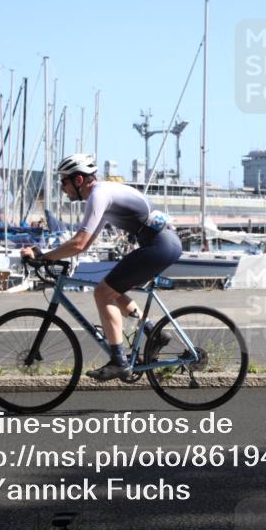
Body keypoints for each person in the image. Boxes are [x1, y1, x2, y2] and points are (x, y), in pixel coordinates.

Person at [21, 154, 183, 381]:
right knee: (111, 290)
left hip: (159, 245)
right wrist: (49, 255)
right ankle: (152, 331)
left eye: (64, 181)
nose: (61, 187)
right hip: (164, 243)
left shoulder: (98, 195)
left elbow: (78, 244)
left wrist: (44, 257)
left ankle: (119, 362)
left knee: (102, 292)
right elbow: (84, 243)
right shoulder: (104, 195)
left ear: (79, 180)